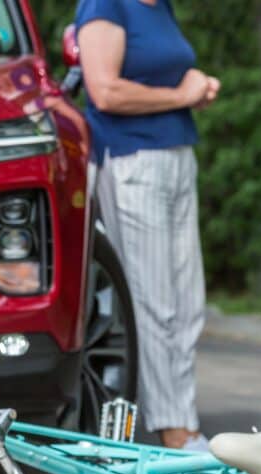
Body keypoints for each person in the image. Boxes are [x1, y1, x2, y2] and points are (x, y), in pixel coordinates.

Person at [75, 0, 220, 451]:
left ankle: (186, 423)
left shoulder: (160, 7)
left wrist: (199, 89)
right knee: (154, 302)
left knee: (187, 302)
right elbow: (105, 92)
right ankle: (173, 433)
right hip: (131, 162)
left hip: (177, 155)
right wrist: (183, 95)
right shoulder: (105, 5)